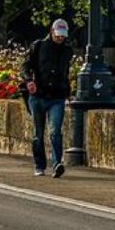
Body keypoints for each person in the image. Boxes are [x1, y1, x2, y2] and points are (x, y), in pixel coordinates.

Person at [22, 19, 73, 178]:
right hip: (38, 95)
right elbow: (25, 66)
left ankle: (57, 163)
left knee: (55, 131)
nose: (60, 39)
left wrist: (68, 92)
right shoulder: (38, 46)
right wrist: (29, 81)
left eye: (62, 36)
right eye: (58, 36)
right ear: (51, 32)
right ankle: (40, 165)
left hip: (57, 96)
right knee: (38, 133)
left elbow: (65, 73)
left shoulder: (67, 50)